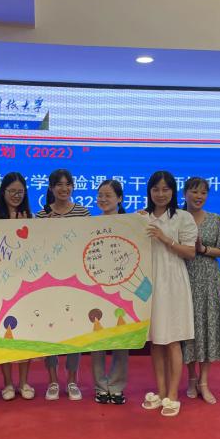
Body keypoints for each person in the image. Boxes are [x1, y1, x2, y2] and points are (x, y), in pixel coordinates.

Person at [140, 171, 197, 417]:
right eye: (156, 189)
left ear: (173, 192)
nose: (160, 194)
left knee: (173, 339)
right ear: (149, 191)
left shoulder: (183, 217)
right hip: (149, 283)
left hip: (173, 282)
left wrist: (164, 238)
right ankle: (161, 392)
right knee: (155, 340)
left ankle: (173, 395)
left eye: (165, 189)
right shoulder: (141, 217)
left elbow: (190, 252)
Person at [35, 168, 90, 401]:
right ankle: (53, 381)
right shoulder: (41, 215)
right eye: (59, 184)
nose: (64, 189)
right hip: (48, 283)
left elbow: (88, 244)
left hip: (76, 281)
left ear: (73, 187)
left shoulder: (83, 212)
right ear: (51, 188)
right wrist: (44, 230)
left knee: (75, 331)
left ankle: (72, 380)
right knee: (50, 331)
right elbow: (35, 251)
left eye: (68, 184)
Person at [0, 172, 35, 401]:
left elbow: (35, 251)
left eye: (20, 192)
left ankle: (24, 382)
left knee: (25, 336)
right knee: (3, 335)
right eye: (12, 191)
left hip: (25, 286)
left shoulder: (31, 217)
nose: (16, 195)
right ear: (2, 192)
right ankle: (7, 383)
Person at [182, 177, 220, 405]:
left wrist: (202, 248)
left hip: (210, 280)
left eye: (203, 192)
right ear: (185, 193)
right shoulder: (177, 218)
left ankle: (203, 381)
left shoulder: (216, 219)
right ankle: (191, 378)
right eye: (194, 192)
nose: (199, 196)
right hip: (183, 278)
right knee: (188, 330)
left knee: (207, 327)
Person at [91, 179, 129, 405]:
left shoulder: (130, 223)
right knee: (97, 340)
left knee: (121, 341)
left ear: (120, 198)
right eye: (100, 196)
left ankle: (116, 386)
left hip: (122, 291)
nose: (103, 200)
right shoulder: (90, 223)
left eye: (108, 195)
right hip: (95, 290)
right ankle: (100, 386)